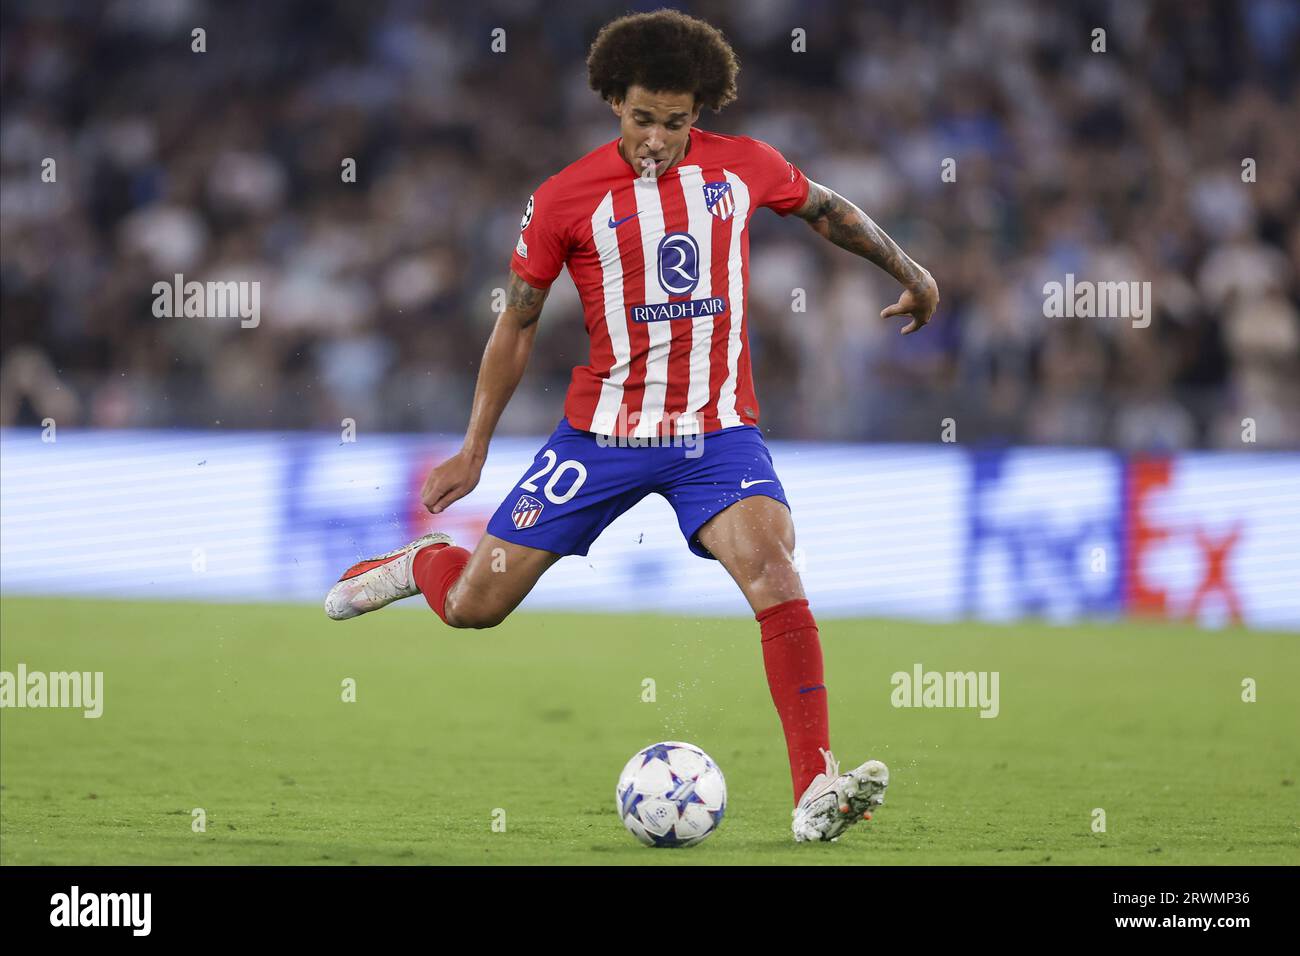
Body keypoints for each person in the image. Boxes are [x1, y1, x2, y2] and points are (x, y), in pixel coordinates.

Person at [325, 9, 939, 843]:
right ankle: (423, 565)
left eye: (676, 122)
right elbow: (517, 324)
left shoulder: (745, 167)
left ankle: (815, 785)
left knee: (773, 567)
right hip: (602, 437)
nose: (657, 138)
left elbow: (828, 209)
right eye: (642, 117)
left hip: (716, 436)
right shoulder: (563, 199)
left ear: (701, 112)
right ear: (614, 101)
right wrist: (475, 449)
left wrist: (910, 271)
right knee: (477, 606)